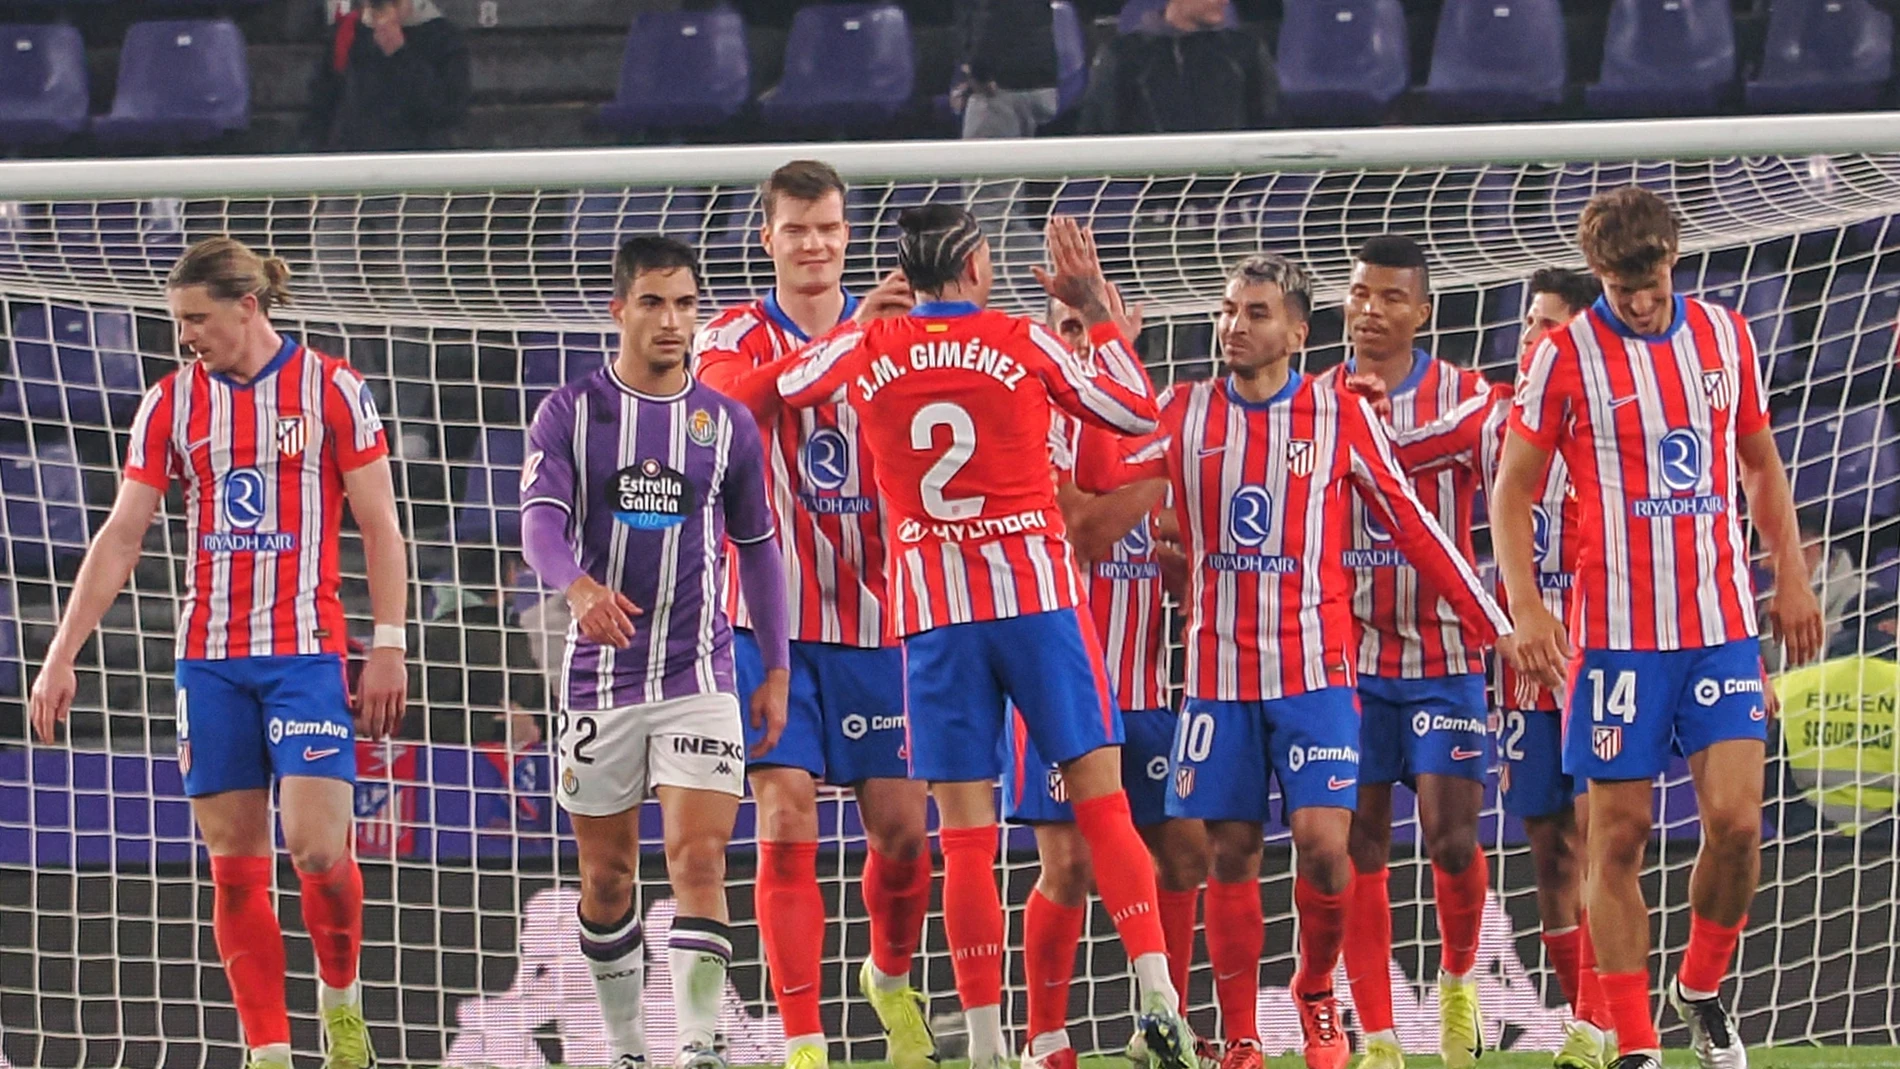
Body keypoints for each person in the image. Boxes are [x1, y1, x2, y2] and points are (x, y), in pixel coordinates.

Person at [776, 207, 1195, 1069]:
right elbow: (1129, 405)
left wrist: (862, 322)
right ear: (973, 266)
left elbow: (788, 386)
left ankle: (984, 1043)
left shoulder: (869, 348)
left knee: (967, 836)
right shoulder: (1017, 339)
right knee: (1102, 801)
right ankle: (1159, 999)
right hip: (1035, 600)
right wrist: (1095, 309)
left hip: (932, 615)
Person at [1113, 255, 1514, 1069]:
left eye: (1256, 313)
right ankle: (1241, 1037)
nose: (1234, 325)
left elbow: (1414, 527)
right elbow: (1108, 483)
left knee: (1326, 846)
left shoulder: (1338, 416)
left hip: (1318, 676)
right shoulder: (1180, 410)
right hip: (1218, 680)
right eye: (1228, 310)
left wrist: (1497, 626)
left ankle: (1315, 989)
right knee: (1230, 853)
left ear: (1298, 331)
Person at [28, 237, 408, 1069]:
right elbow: (122, 533)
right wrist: (62, 650)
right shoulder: (169, 403)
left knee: (315, 848)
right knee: (236, 868)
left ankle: (341, 1002)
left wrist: (388, 642)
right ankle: (267, 1050)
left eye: (196, 319)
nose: (183, 336)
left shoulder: (334, 387)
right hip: (209, 662)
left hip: (306, 656)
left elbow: (380, 524)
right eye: (177, 321)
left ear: (247, 306)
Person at [1496, 186, 1824, 1069]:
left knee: (1738, 825)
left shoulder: (1726, 335)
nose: (1638, 300)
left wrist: (1789, 575)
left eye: (1649, 281)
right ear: (1598, 273)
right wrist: (1527, 607)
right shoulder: (1564, 356)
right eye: (1617, 285)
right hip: (1615, 639)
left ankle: (1701, 988)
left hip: (1718, 624)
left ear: (1674, 257)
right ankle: (1636, 1042)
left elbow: (1759, 461)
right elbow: (1513, 488)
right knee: (1619, 835)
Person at [517, 235, 793, 1069]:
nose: (672, 321)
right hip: (599, 679)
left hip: (700, 672)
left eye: (684, 303)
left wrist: (774, 667)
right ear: (619, 309)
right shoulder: (573, 411)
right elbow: (538, 522)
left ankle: (701, 1048)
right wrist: (578, 589)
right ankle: (631, 1049)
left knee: (700, 856)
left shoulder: (726, 422)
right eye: (653, 303)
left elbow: (758, 546)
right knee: (605, 881)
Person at [692, 160, 937, 1069]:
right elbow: (726, 411)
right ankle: (803, 1040)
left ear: (847, 234)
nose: (815, 244)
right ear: (768, 237)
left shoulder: (901, 330)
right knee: (786, 814)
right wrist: (842, 349)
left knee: (905, 836)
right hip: (768, 626)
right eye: (796, 228)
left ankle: (888, 975)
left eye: (829, 228)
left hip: (883, 619)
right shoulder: (732, 331)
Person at [1366, 266, 1615, 1069]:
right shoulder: (1496, 411)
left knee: (1603, 835)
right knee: (1548, 845)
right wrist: (1353, 428)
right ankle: (1585, 1016)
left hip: (1603, 650)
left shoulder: (1619, 421)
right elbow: (1405, 451)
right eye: (1526, 327)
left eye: (1547, 327)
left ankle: (1603, 1019)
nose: (1531, 341)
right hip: (1519, 662)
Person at [1003, 297, 1210, 1069]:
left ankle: (1168, 1025)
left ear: (1130, 330)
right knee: (1069, 863)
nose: (1079, 343)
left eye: (1093, 327)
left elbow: (1190, 552)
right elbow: (1081, 530)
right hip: (1060, 681)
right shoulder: (1034, 421)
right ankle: (1046, 1039)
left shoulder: (1148, 424)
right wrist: (1157, 484)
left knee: (1185, 852)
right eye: (1066, 329)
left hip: (1149, 683)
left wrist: (1186, 571)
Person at [1315, 235, 1496, 1069]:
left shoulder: (1466, 396)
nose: (1371, 310)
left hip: (1446, 654)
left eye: (1390, 297)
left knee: (1452, 839)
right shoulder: (1310, 398)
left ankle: (1459, 984)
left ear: (1424, 309)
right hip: (1347, 662)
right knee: (1362, 847)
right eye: (1359, 294)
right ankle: (1379, 1034)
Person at [1078, 0, 1277, 135]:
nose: (1225, 1)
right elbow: (1097, 133)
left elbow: (1273, 127)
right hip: (1154, 193)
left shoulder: (1246, 51)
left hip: (1234, 193)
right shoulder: (1122, 55)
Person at [304, 0, 471, 152]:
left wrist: (400, 54)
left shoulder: (443, 37)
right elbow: (322, 106)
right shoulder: (347, 33)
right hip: (355, 156)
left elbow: (448, 109)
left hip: (419, 157)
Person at [953, 0, 1061, 139]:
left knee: (982, 158)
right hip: (1042, 84)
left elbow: (991, 23)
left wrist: (980, 75)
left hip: (1000, 91)